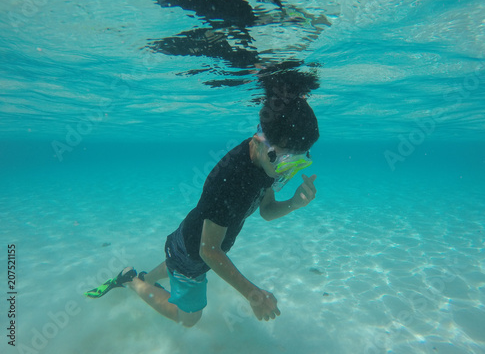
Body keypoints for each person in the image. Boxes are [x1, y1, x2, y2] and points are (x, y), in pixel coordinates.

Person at [88, 95, 319, 328]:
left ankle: (143, 279)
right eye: (286, 160)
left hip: (188, 239)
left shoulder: (266, 163)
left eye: (299, 161)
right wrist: (252, 294)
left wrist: (294, 202)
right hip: (193, 254)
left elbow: (266, 211)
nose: (285, 171)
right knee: (188, 318)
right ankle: (131, 281)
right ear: (259, 140)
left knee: (173, 262)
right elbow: (209, 251)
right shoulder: (229, 182)